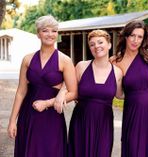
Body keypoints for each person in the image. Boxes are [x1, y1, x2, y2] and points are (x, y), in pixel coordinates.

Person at [7, 15, 77, 157]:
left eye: (54, 31)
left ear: (57, 34)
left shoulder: (65, 60)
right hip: (28, 115)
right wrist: (12, 121)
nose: (50, 34)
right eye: (45, 30)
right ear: (38, 34)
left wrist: (48, 103)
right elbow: (21, 91)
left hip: (51, 118)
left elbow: (74, 92)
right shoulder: (27, 59)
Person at [111, 20, 148, 157]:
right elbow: (99, 79)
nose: (135, 40)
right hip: (132, 113)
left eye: (140, 37)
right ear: (125, 36)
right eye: (132, 35)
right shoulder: (114, 61)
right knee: (134, 148)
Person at [67, 30, 123, 157]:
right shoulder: (81, 66)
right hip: (81, 121)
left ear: (109, 44)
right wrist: (55, 99)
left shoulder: (118, 72)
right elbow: (70, 90)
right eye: (92, 44)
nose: (96, 46)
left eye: (100, 42)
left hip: (104, 124)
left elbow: (120, 95)